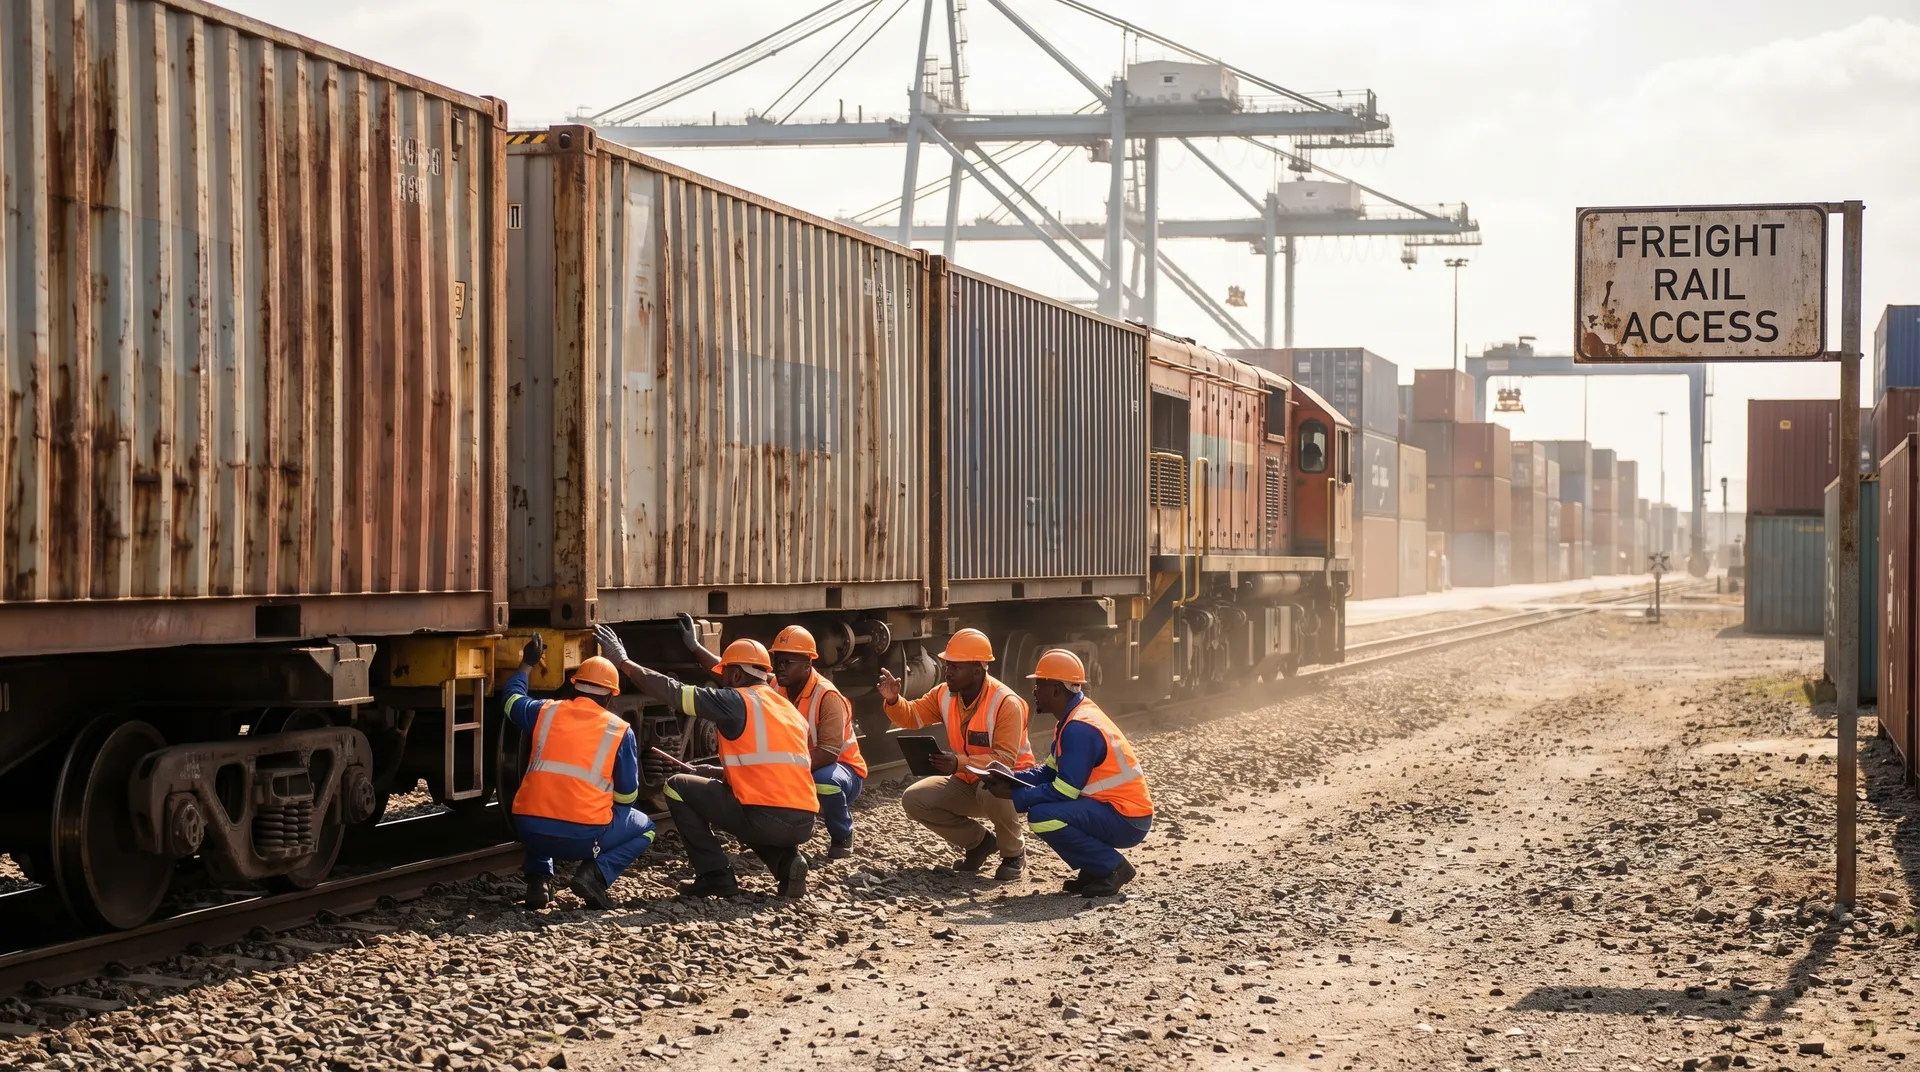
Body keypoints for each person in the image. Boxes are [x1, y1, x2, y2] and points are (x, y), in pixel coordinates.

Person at [592, 624, 818, 898]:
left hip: (766, 818)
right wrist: (722, 772)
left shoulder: (737, 700)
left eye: (725, 675)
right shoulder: (788, 709)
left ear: (735, 674)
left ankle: (715, 875)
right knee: (742, 800)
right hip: (804, 821)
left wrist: (623, 662)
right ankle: (787, 863)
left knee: (676, 786)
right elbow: (775, 769)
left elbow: (674, 692)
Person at [680, 620, 869, 860]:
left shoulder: (828, 697)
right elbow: (728, 670)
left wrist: (781, 770)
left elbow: (829, 753)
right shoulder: (776, 686)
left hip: (842, 770)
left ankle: (843, 834)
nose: (778, 667)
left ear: (807, 664)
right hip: (800, 766)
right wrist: (695, 647)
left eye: (786, 662)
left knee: (824, 781)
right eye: (777, 661)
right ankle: (767, 833)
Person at [499, 633, 655, 911]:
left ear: (575, 687)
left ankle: (538, 881)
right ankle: (593, 876)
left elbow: (511, 701)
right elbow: (628, 795)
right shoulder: (619, 730)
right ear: (610, 697)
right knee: (647, 828)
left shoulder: (545, 711)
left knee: (543, 801)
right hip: (584, 839)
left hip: (528, 829)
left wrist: (527, 664)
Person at [985, 648, 1152, 897]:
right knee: (1045, 811)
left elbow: (1065, 789)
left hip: (1127, 819)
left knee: (1042, 816)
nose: (1034, 692)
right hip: (1115, 810)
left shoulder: (1078, 728)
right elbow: (1048, 773)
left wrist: (1015, 795)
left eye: (1039, 685)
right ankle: (1095, 867)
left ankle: (1112, 868)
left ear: (1056, 689)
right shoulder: (1071, 719)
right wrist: (1010, 775)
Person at [876, 628, 1035, 879]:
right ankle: (980, 843)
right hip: (968, 779)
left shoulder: (1006, 703)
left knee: (991, 785)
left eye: (955, 667)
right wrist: (894, 700)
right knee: (915, 798)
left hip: (1012, 786)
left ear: (977, 669)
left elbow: (1004, 760)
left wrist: (959, 763)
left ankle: (1014, 853)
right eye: (948, 664)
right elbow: (913, 715)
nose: (948, 671)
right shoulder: (945, 694)